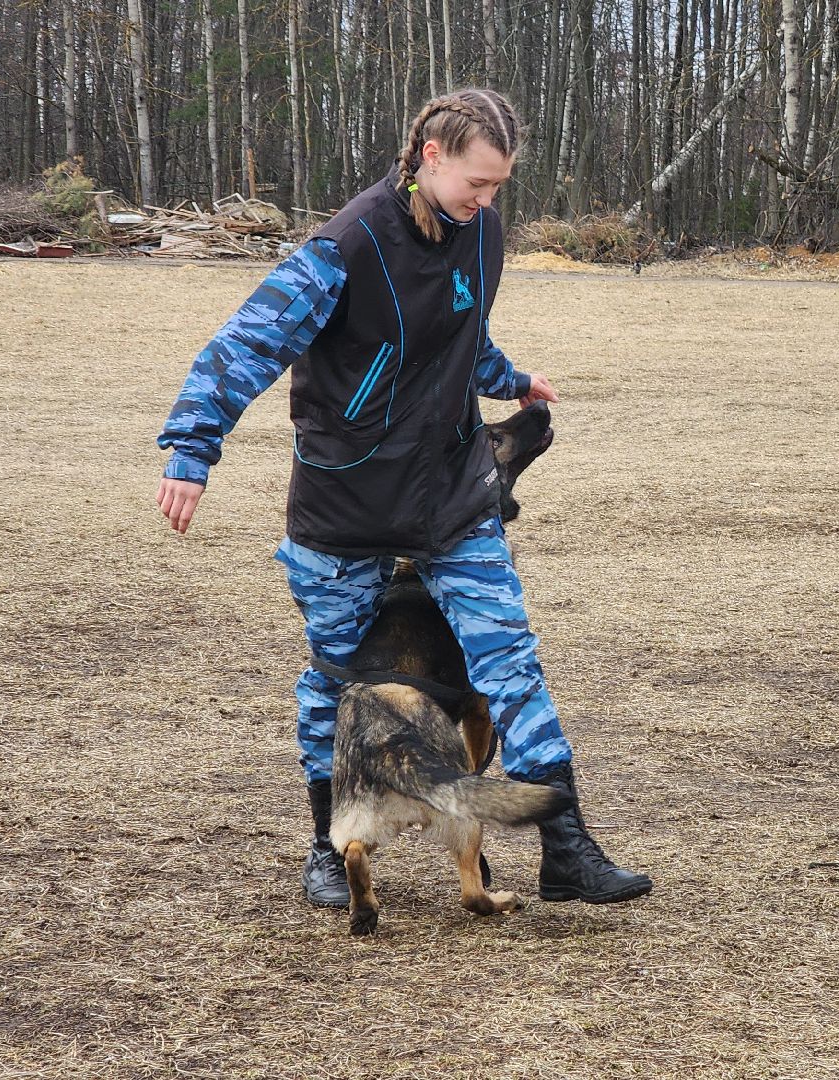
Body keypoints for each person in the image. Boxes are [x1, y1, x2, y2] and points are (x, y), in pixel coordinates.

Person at [154, 88, 653, 907]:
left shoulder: (481, 231)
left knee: (510, 660)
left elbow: (459, 334)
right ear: (430, 157)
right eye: (476, 183)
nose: (486, 202)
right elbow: (244, 345)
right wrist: (190, 448)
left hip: (451, 491)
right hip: (346, 503)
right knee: (335, 678)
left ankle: (567, 849)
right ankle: (329, 845)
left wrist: (508, 378)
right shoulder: (346, 247)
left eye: (499, 187)